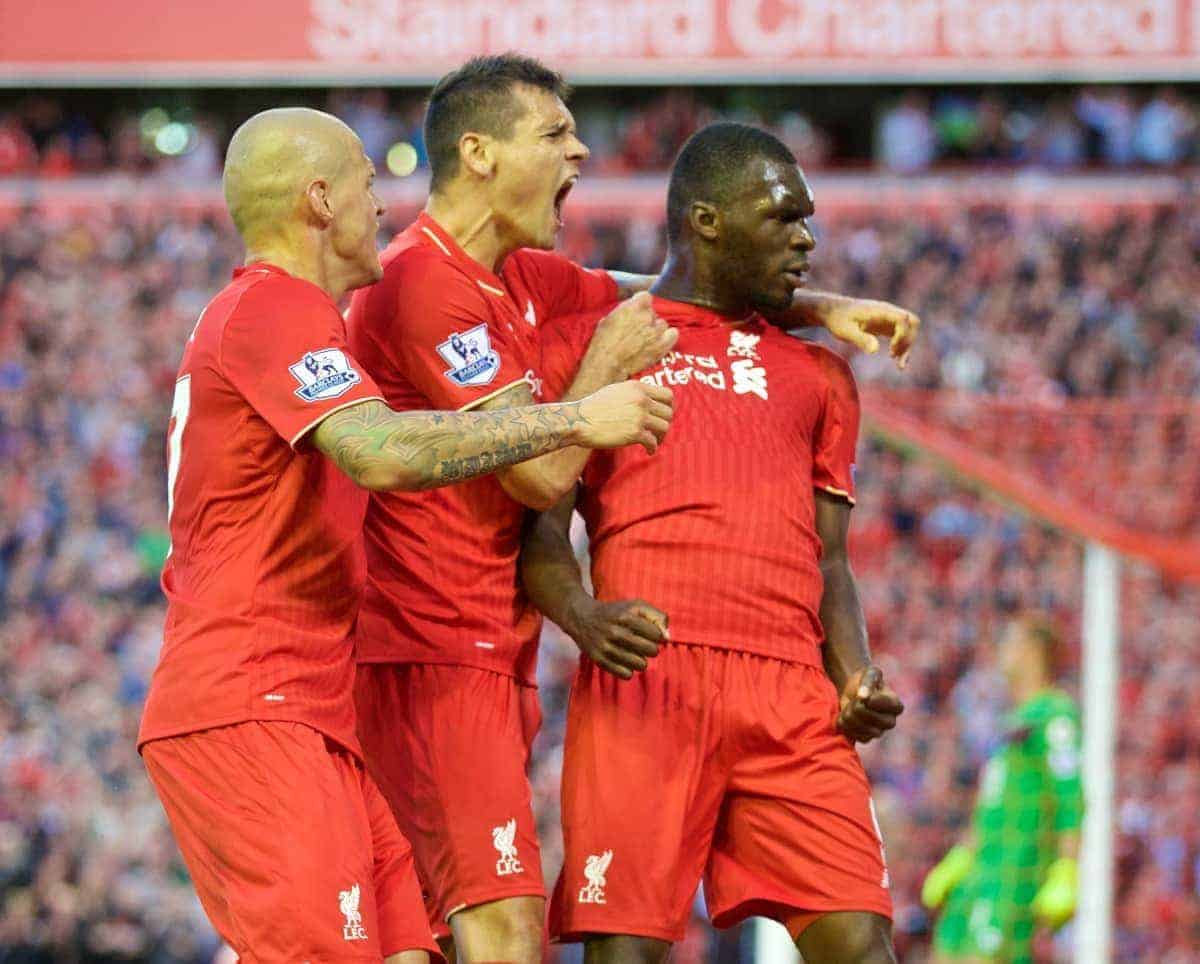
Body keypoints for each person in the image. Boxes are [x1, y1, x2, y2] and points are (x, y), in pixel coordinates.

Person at [348, 55, 920, 964]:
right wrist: (600, 385)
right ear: (481, 153)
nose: (582, 150)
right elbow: (539, 485)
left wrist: (820, 305)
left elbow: (661, 289)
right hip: (431, 650)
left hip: (500, 652)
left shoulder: (530, 281)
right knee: (497, 928)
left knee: (427, 937)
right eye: (555, 134)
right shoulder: (421, 283)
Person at [136, 107, 674, 964]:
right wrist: (582, 414)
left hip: (315, 709)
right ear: (319, 199)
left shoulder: (292, 317)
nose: (383, 202)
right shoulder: (273, 306)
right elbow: (381, 451)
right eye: (364, 180)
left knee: (408, 950)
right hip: (249, 702)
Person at [521, 122, 905, 964]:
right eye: (783, 217)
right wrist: (584, 618)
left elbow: (831, 560)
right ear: (705, 220)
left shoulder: (821, 375)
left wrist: (854, 674)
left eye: (808, 219)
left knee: (862, 943)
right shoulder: (598, 341)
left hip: (793, 699)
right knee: (625, 952)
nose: (808, 237)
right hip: (649, 679)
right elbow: (540, 526)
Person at [922, 615, 1082, 964]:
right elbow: (992, 804)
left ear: (1033, 651)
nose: (1002, 652)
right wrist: (962, 856)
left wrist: (1067, 869)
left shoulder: (1055, 716)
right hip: (980, 871)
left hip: (1015, 875)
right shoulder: (1012, 720)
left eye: (1010, 642)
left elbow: (1070, 797)